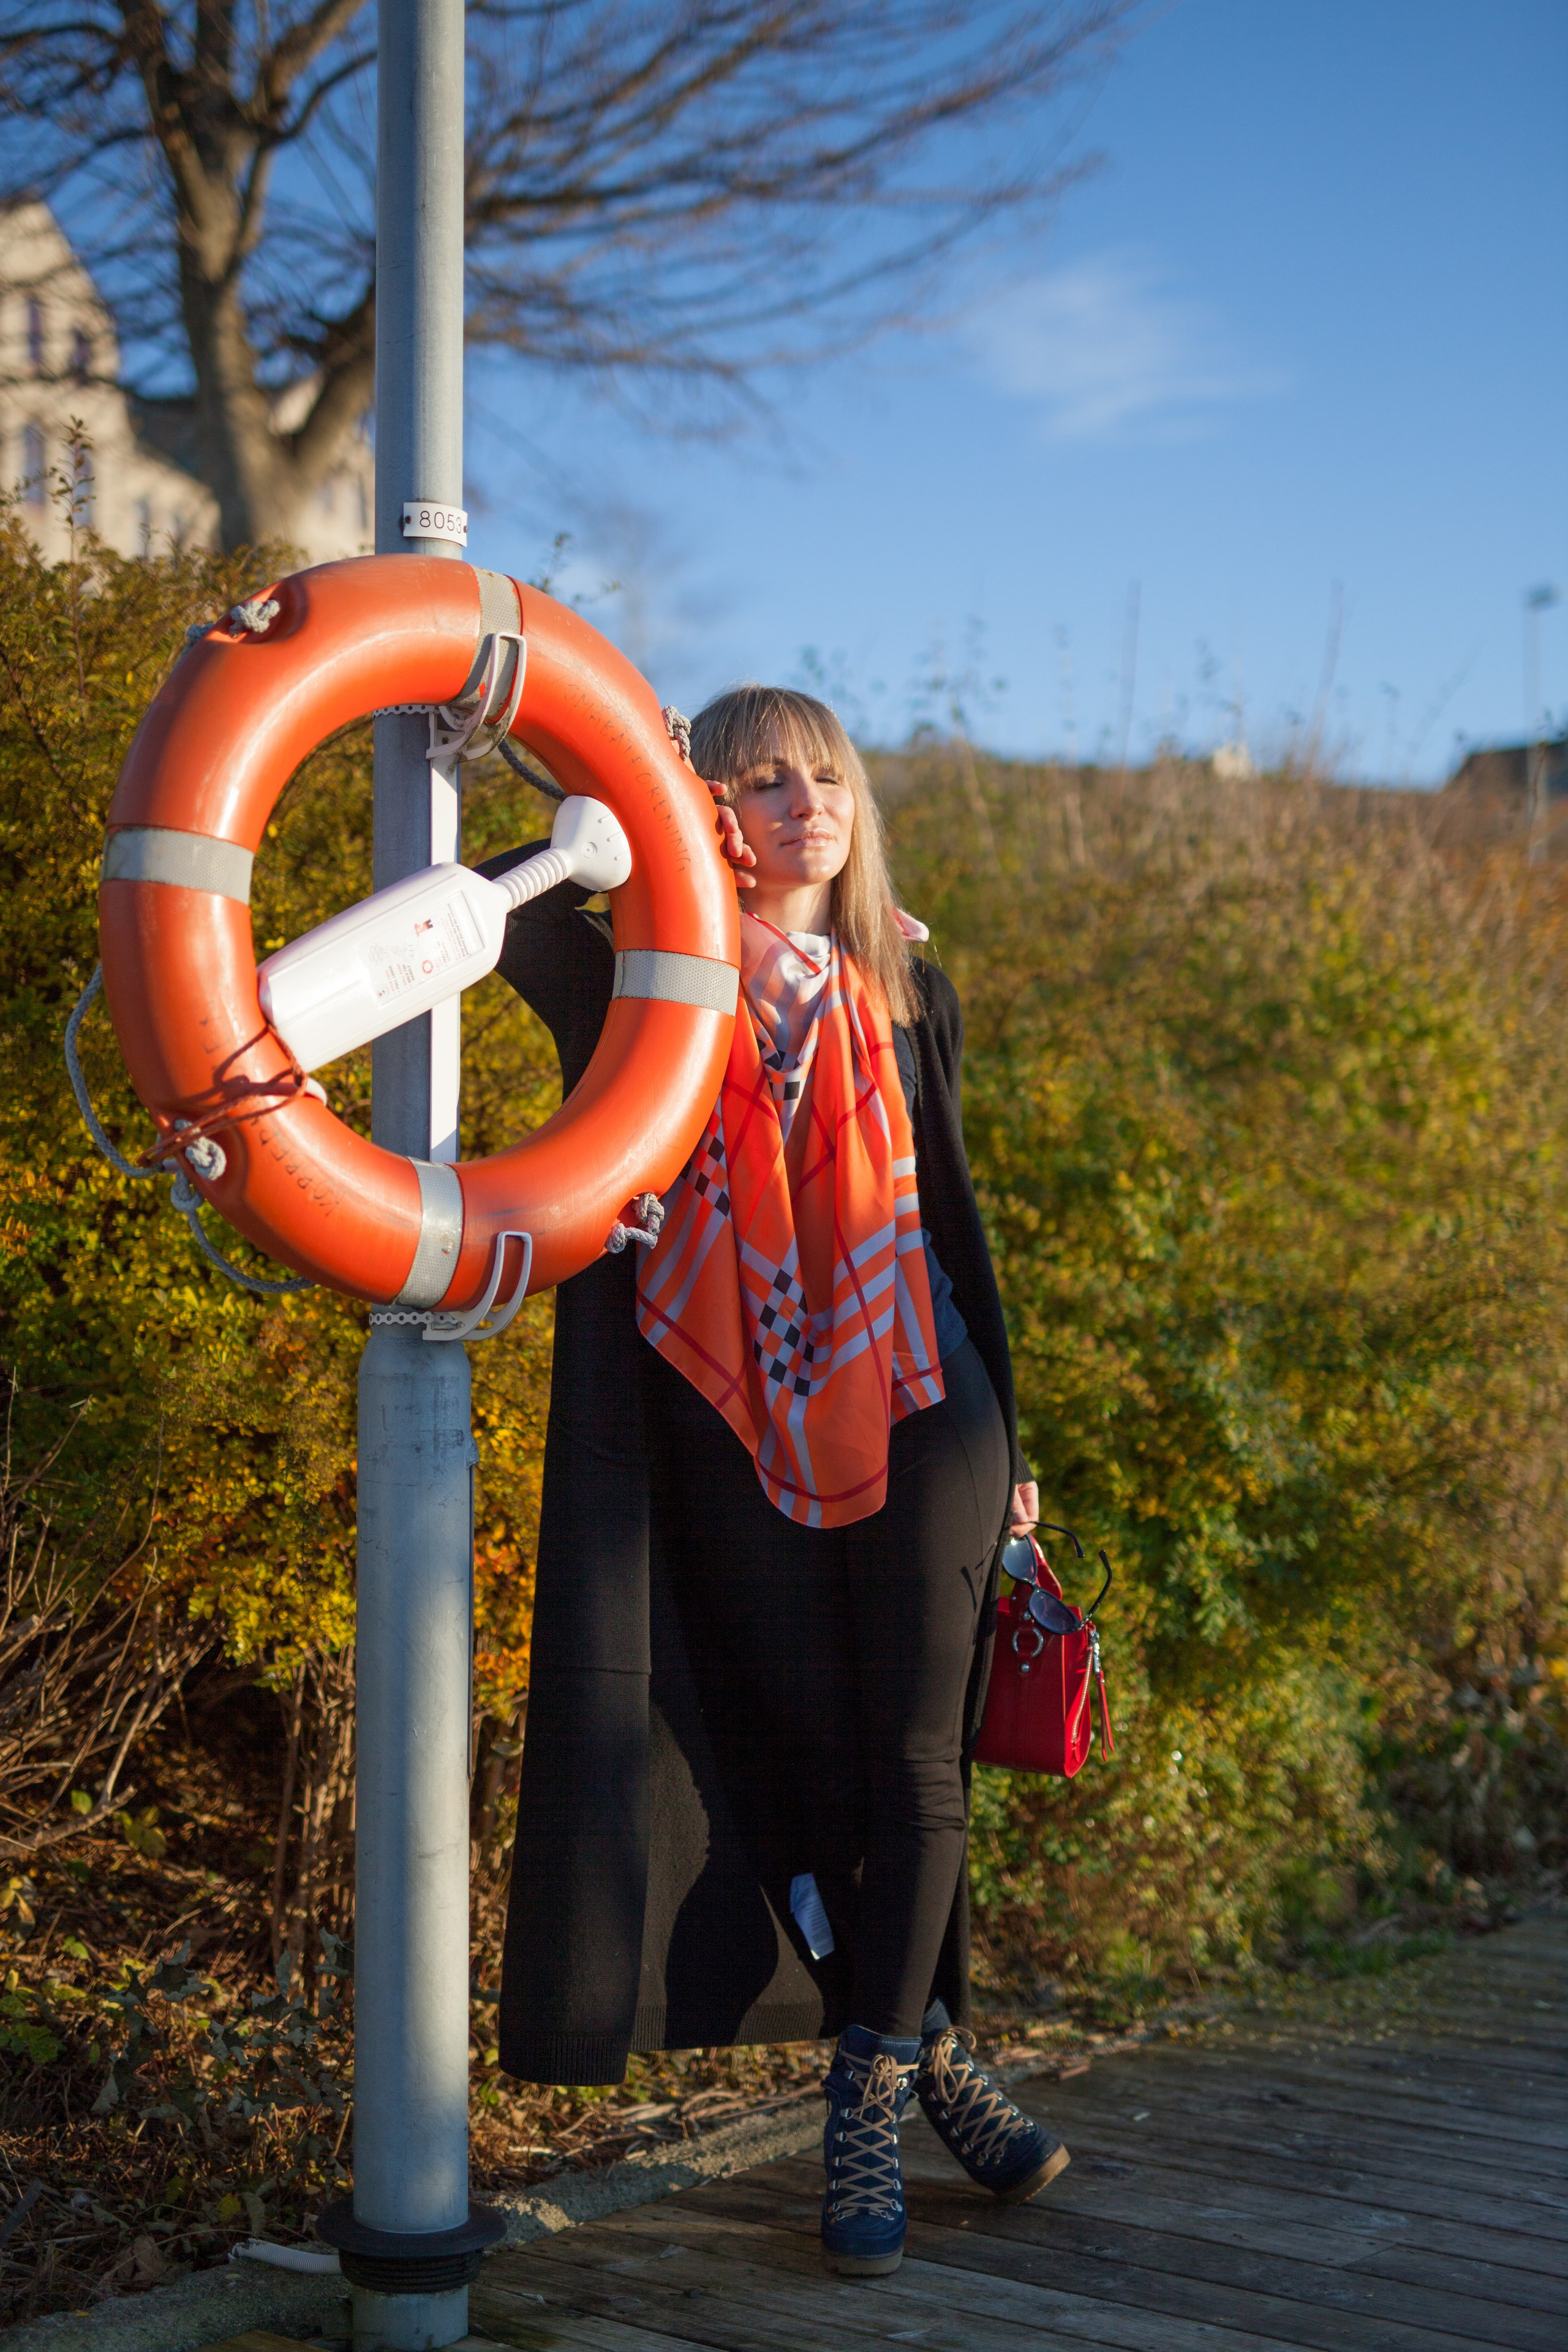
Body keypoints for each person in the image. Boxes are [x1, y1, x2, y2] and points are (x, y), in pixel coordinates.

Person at [481, 685, 1068, 2277]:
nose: (805, 799)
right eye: (759, 778)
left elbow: (954, 1217)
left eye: (827, 774)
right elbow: (498, 912)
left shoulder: (906, 988)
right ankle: (932, 2046)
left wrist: (1014, 1445)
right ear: (712, 812)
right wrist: (590, 778)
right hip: (735, 1407)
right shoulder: (639, 982)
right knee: (808, 1758)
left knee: (918, 1757)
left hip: (928, 1394)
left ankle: (864, 2095)